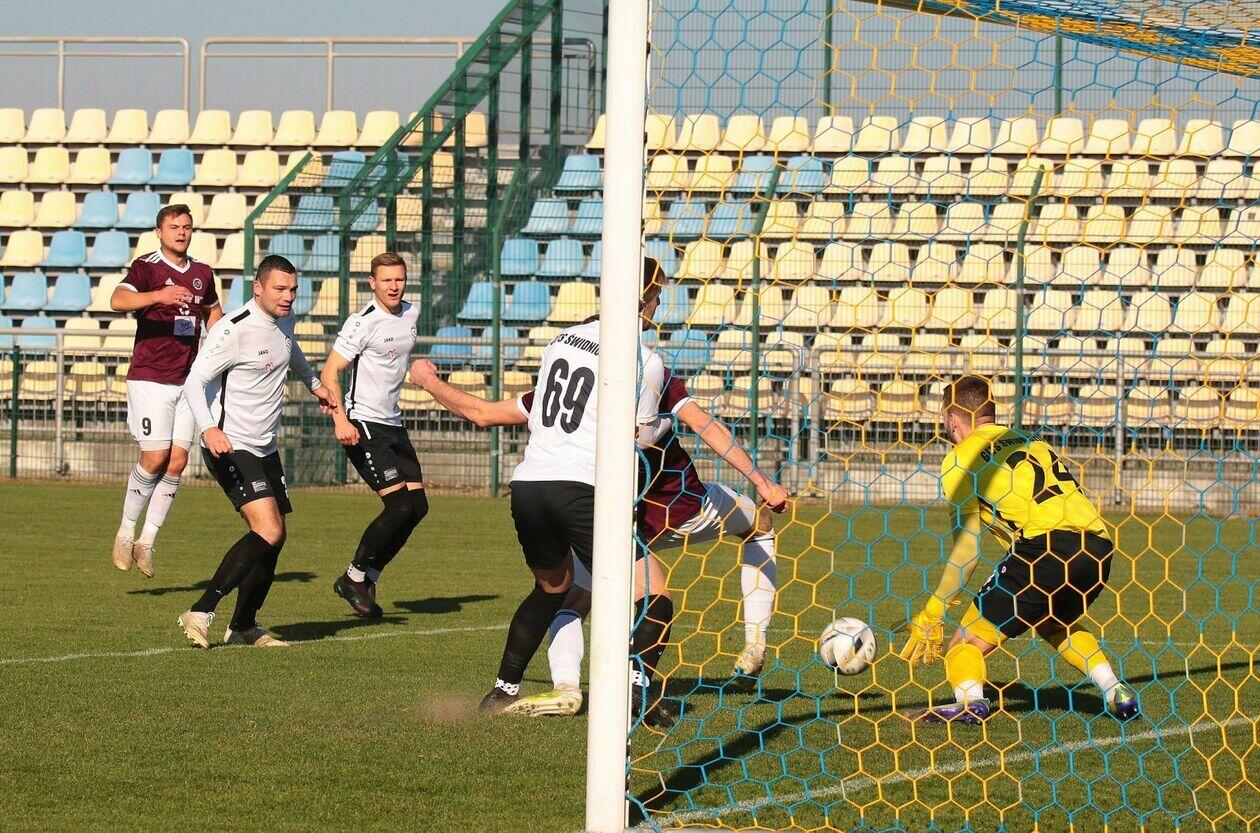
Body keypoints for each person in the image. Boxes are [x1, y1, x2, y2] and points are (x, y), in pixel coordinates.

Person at [408, 257, 693, 727]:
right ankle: (637, 691)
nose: (657, 306)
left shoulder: (561, 340)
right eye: (656, 297)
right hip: (583, 487)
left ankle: (502, 690)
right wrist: (667, 424)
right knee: (653, 589)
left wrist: (428, 381)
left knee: (552, 587)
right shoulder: (646, 360)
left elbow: (498, 412)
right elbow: (638, 438)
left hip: (529, 486)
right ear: (642, 299)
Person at [897, 374, 1139, 723]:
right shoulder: (1031, 440)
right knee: (1052, 622)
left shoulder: (960, 459)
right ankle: (1115, 690)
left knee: (964, 643)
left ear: (951, 419)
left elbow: (967, 551)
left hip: (1043, 551)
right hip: (1097, 549)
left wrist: (933, 613)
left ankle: (971, 702)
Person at [176, 255, 337, 649]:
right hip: (230, 443)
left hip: (266, 446)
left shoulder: (285, 319)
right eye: (280, 289)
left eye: (293, 289)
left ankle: (244, 626)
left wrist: (315, 384)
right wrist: (209, 427)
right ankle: (200, 610)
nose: (288, 296)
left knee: (275, 537)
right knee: (268, 529)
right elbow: (195, 381)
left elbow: (290, 350)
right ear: (259, 287)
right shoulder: (234, 329)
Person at [108, 204, 221, 576]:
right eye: (174, 227)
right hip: (151, 379)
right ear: (160, 231)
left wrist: (219, 343)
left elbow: (212, 313)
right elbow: (118, 300)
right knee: (155, 457)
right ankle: (125, 533)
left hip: (187, 381)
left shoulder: (203, 272)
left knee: (177, 462)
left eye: (187, 227)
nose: (182, 232)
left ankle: (147, 542)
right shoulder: (147, 267)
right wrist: (159, 295)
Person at [320, 252, 426, 618]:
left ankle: (368, 576)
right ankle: (352, 577)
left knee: (417, 507)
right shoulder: (361, 322)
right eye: (386, 280)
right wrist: (340, 420)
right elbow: (330, 371)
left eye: (399, 279)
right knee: (399, 507)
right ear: (372, 282)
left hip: (393, 422)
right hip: (363, 423)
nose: (394, 286)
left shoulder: (411, 313)